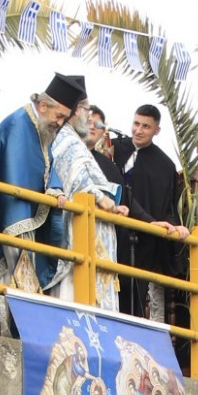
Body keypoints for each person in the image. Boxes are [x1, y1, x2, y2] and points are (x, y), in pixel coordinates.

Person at [0, 71, 86, 303]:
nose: (60, 123)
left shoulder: (42, 127)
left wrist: (55, 189)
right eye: (59, 116)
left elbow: (47, 163)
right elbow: (16, 176)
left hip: (30, 213)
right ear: (43, 106)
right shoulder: (18, 125)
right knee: (18, 268)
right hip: (12, 214)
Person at [48, 93, 130, 309]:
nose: (89, 117)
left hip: (91, 236)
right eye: (86, 111)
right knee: (74, 300)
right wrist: (104, 200)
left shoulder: (75, 140)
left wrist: (111, 202)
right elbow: (77, 181)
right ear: (76, 111)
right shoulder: (66, 139)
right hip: (78, 236)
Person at [113, 104, 189, 327]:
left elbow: (169, 209)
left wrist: (177, 226)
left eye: (146, 126)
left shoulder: (165, 165)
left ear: (156, 130)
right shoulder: (115, 147)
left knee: (135, 298)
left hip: (143, 242)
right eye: (136, 123)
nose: (138, 130)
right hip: (114, 232)